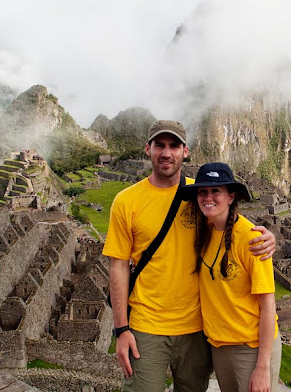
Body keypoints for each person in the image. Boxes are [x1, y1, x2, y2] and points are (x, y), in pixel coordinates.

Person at [102, 120, 276, 392]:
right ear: (148, 149)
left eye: (174, 146)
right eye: (160, 145)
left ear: (186, 151)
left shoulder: (200, 194)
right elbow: (118, 266)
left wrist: (266, 237)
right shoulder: (127, 201)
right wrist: (121, 329)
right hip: (147, 325)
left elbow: (230, 223)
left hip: (196, 329)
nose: (166, 153)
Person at [180, 162, 281, 392]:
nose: (208, 197)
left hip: (251, 348)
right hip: (220, 347)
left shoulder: (252, 240)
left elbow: (268, 306)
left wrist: (263, 367)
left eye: (216, 191)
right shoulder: (203, 230)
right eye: (203, 191)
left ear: (230, 196)